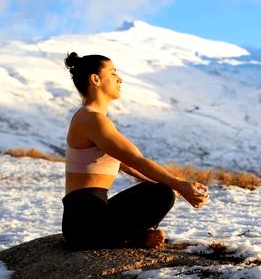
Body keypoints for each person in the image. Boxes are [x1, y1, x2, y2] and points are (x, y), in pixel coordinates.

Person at [62, 52, 208, 250]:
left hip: (90, 217)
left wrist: (177, 188)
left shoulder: (91, 118)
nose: (119, 79)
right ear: (96, 79)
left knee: (159, 190)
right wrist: (179, 185)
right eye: (113, 73)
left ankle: (133, 237)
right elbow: (136, 160)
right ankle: (132, 238)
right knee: (161, 194)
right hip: (84, 224)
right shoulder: (92, 119)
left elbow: (128, 166)